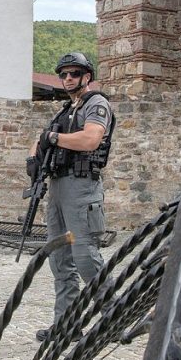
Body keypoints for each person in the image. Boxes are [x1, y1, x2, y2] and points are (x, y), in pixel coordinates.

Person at [27, 52, 115, 342]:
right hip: (58, 187)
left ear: (86, 76)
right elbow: (41, 138)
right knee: (60, 258)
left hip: (82, 187)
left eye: (74, 74)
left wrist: (54, 139)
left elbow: (90, 139)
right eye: (63, 74)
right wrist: (34, 159)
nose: (67, 79)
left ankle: (116, 316)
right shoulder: (64, 111)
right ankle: (66, 324)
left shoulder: (96, 103)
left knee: (85, 256)